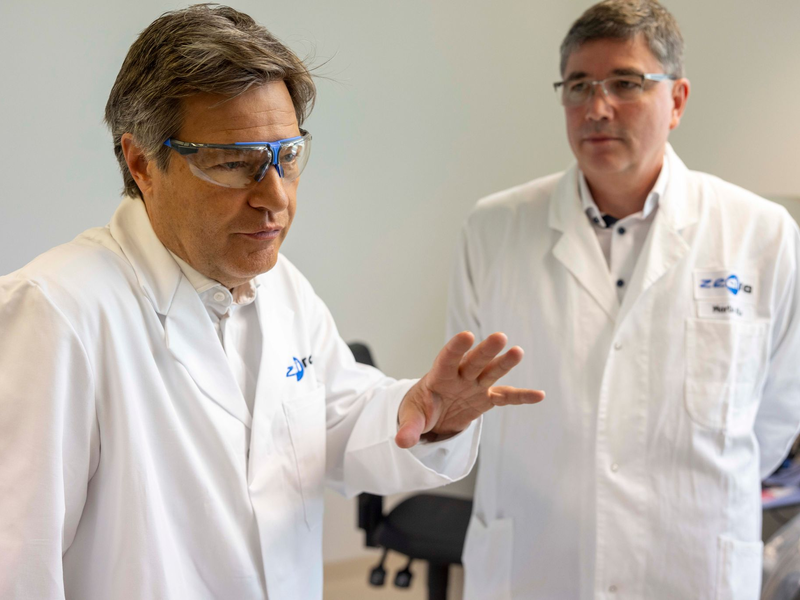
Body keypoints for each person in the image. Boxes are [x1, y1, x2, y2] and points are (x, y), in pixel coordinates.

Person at [0, 6, 545, 600]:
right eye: (235, 163)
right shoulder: (56, 312)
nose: (276, 198)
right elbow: (17, 563)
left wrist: (422, 412)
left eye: (286, 157)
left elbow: (333, 421)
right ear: (142, 163)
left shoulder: (280, 286)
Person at [447, 1, 800, 598]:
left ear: (677, 100)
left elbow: (777, 414)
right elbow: (464, 398)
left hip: (690, 562)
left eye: (626, 83)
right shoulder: (493, 228)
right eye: (578, 85)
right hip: (536, 559)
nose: (597, 108)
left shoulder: (761, 235)